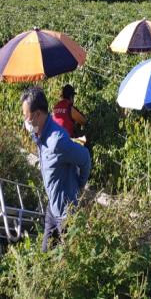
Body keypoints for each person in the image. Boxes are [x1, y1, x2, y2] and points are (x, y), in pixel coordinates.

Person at [21, 87, 91, 252]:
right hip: (52, 208)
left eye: (26, 115)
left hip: (66, 214)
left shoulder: (57, 141)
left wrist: (80, 185)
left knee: (67, 260)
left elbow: (85, 158)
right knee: (45, 255)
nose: (24, 120)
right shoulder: (38, 133)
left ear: (38, 114)